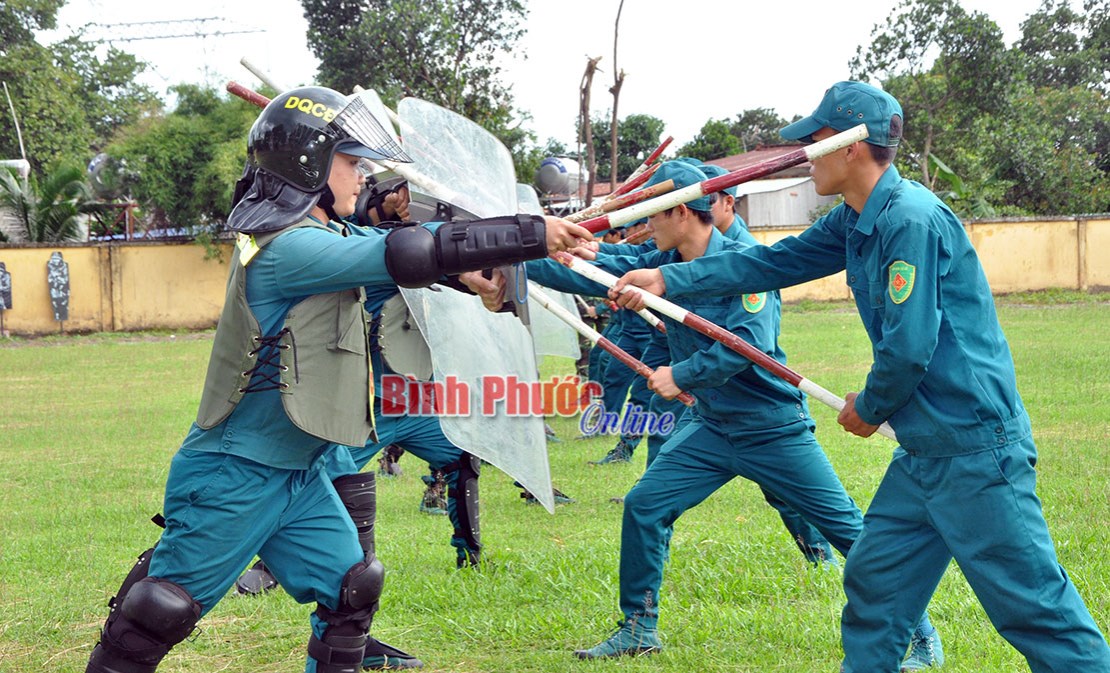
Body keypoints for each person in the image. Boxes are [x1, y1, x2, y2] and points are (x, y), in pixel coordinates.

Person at [84, 85, 589, 673]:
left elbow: (392, 259)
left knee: (352, 586)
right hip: (237, 472)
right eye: (351, 162)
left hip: (303, 470)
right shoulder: (283, 249)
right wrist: (529, 231)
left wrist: (471, 277)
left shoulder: (328, 240)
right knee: (158, 613)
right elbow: (399, 253)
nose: (361, 176)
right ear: (311, 167)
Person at [611, 81, 1110, 673]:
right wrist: (670, 282)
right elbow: (773, 262)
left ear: (850, 147)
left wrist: (868, 409)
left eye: (813, 142)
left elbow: (908, 350)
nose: (804, 157)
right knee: (876, 590)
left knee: (1036, 612)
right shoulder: (854, 220)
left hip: (974, 451)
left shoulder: (911, 221)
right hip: (923, 454)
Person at [525, 161, 939, 665]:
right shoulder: (658, 258)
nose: (645, 225)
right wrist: (510, 254)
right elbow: (592, 270)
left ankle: (918, 633)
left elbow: (745, 346)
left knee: (850, 532)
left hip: (772, 429)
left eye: (653, 215)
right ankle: (638, 627)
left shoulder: (747, 264)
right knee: (645, 505)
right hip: (711, 428)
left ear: (680, 212)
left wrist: (680, 375)